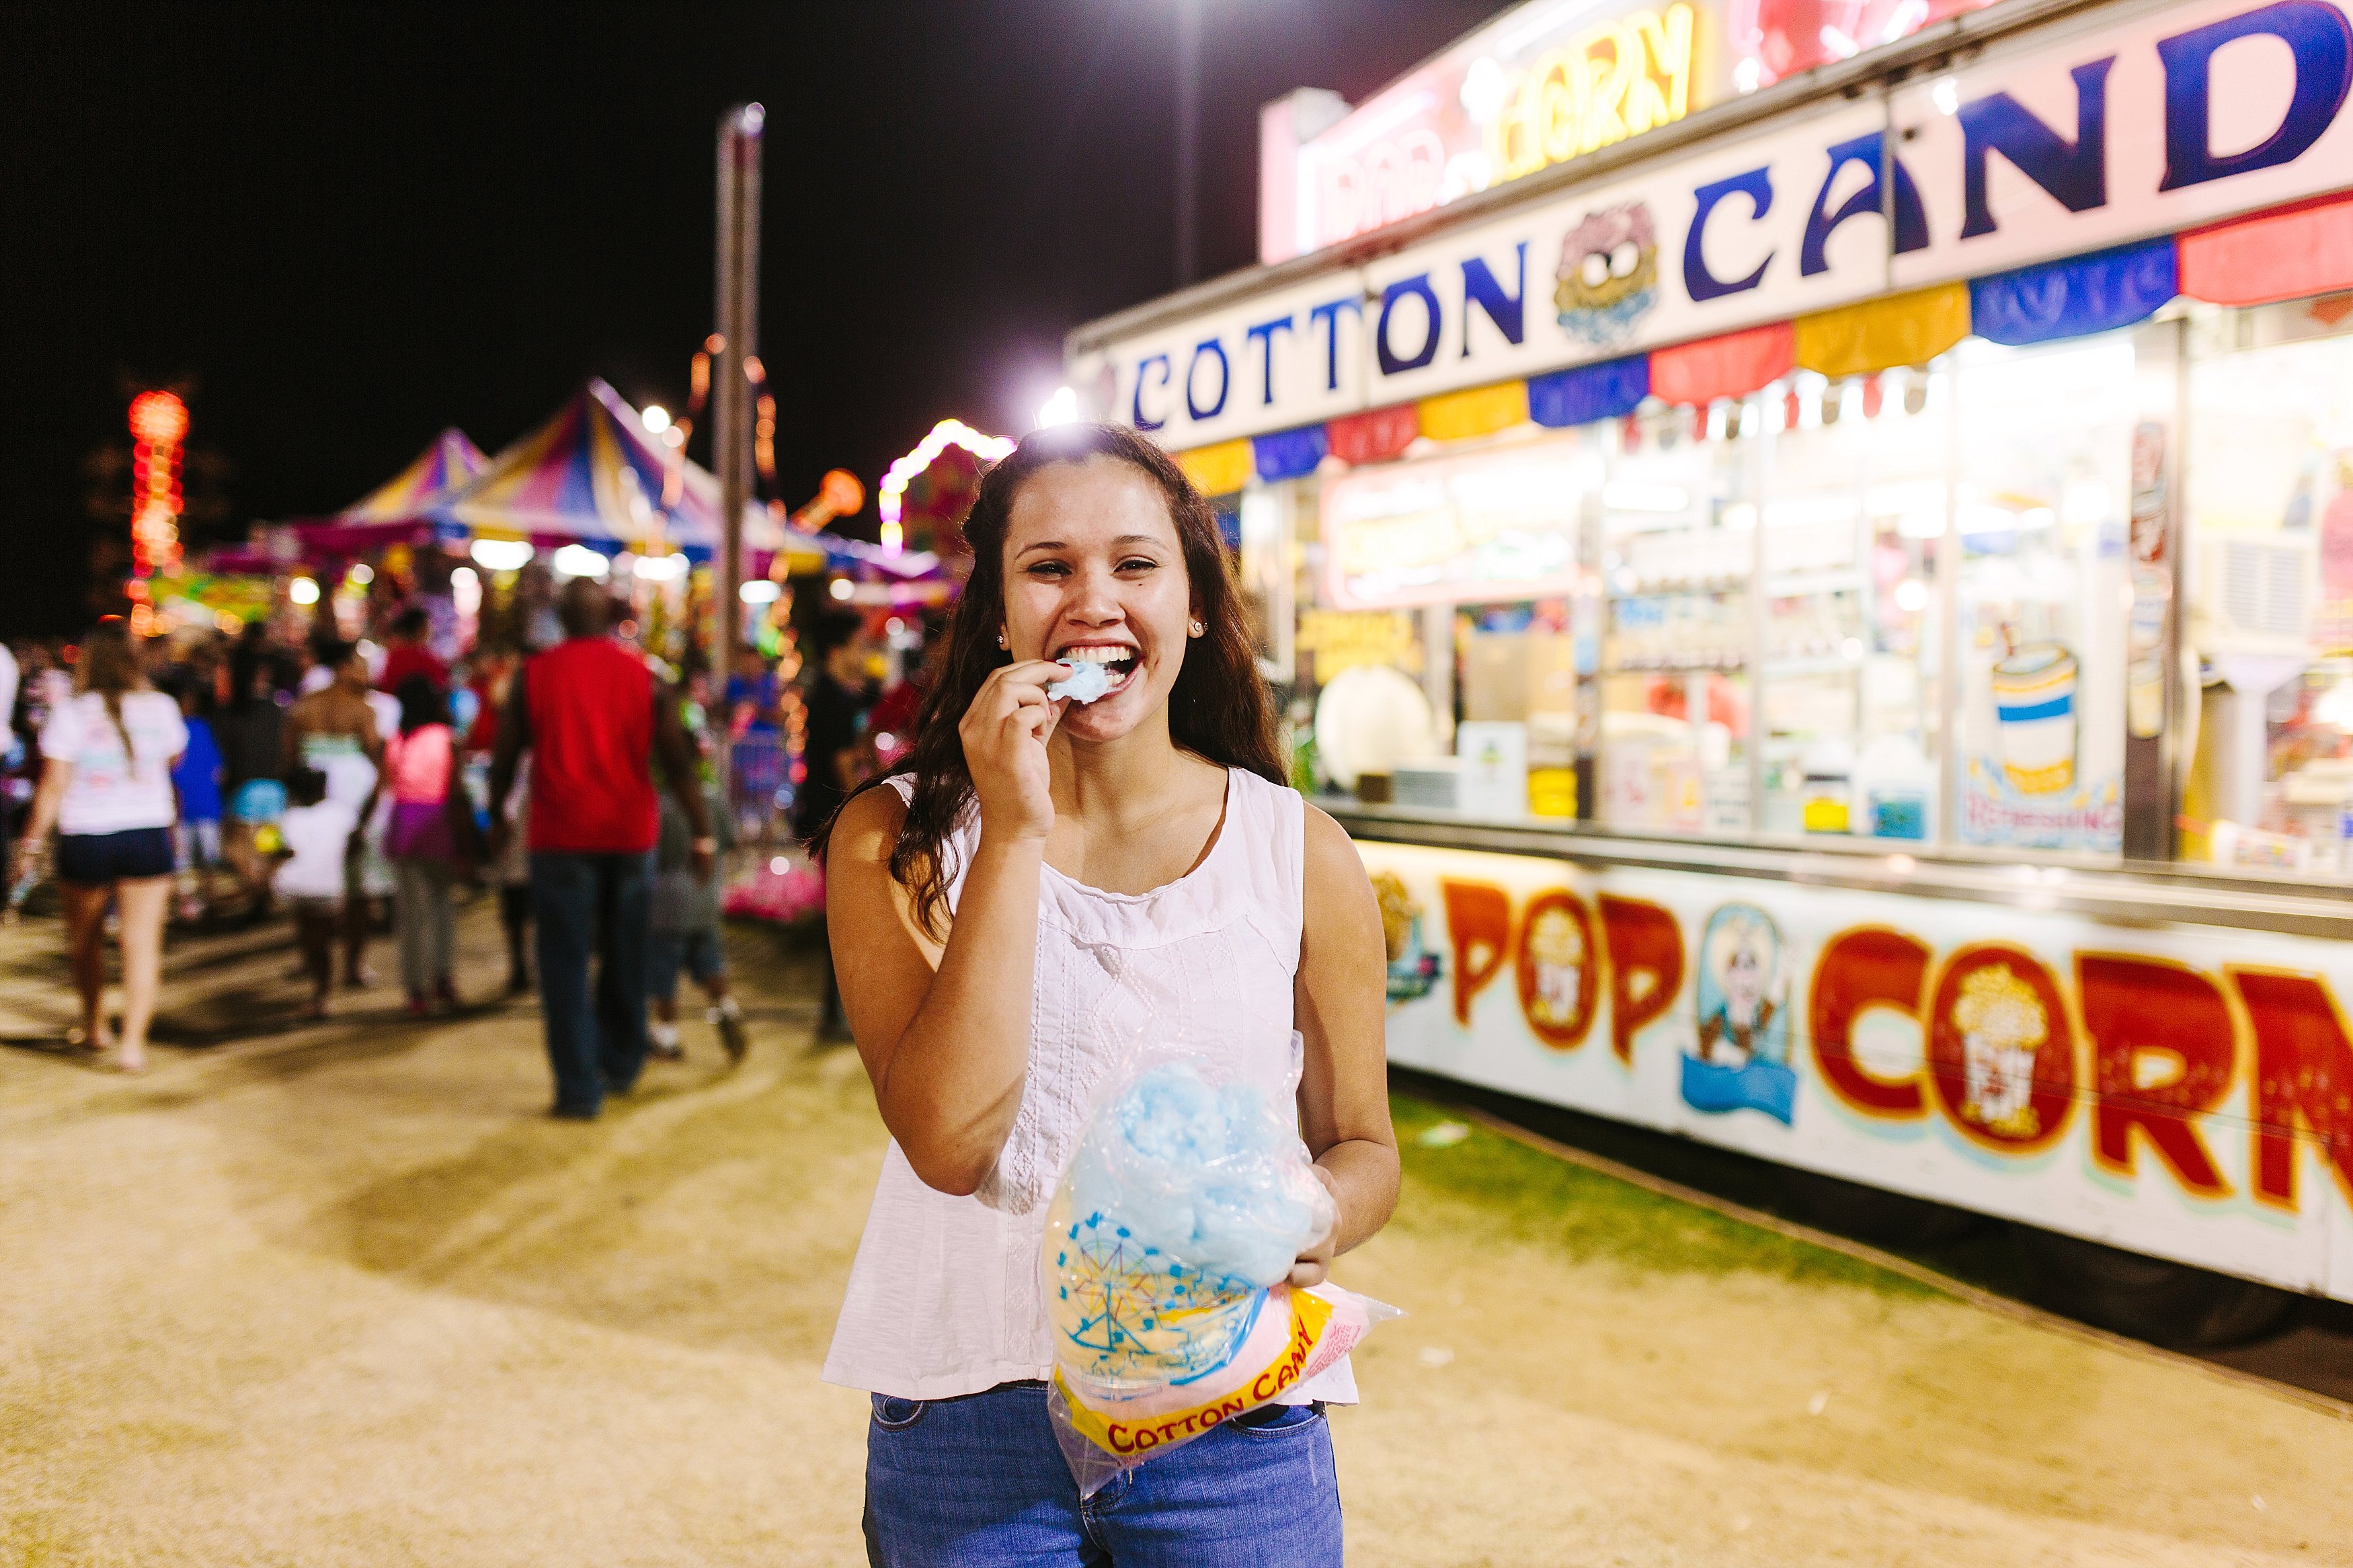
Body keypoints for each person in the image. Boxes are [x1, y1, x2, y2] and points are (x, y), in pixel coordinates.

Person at [817, 425, 1399, 1564]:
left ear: (1192, 604)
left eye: (1135, 565)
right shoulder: (895, 840)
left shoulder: (1301, 852)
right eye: (1049, 567)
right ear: (999, 609)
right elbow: (948, 1138)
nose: (1094, 601)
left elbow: (1364, 1144)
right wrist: (1015, 831)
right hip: (966, 1420)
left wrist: (1311, 1213)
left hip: (1232, 1415)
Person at [488, 579, 713, 1120]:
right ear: (609, 618)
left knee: (563, 960)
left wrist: (495, 814)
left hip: (560, 835)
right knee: (626, 951)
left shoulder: (533, 675)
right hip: (629, 834)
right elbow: (679, 763)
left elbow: (504, 755)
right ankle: (620, 1062)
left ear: (561, 619)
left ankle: (576, 1087)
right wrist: (702, 832)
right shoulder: (645, 677)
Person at [14, 621, 188, 1073]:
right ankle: (133, 1045)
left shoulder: (70, 712)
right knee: (141, 944)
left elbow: (53, 786)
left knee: (86, 942)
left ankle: (94, 1025)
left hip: (86, 833)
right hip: (146, 831)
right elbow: (173, 759)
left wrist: (30, 844)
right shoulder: (163, 707)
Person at [647, 715, 745, 1064]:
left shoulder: (660, 803)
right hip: (705, 898)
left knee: (663, 974)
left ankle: (667, 1038)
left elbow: (654, 855)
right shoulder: (713, 798)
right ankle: (727, 1009)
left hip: (666, 904)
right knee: (710, 964)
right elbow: (730, 842)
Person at [383, 674, 466, 1015]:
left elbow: (388, 785)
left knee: (411, 915)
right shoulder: (448, 738)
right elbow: (457, 791)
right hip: (438, 824)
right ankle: (442, 978)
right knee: (442, 907)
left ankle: (415, 991)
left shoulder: (396, 740)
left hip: (404, 824)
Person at [271, 766, 354, 1020]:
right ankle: (322, 993)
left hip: (297, 888)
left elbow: (279, 851)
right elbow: (355, 844)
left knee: (312, 941)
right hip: (330, 888)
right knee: (323, 943)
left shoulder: (288, 818)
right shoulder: (341, 814)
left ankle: (321, 994)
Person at [165, 674, 225, 922]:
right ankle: (207, 906)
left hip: (183, 808)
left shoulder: (187, 729)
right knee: (205, 863)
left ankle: (190, 909)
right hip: (203, 805)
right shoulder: (200, 728)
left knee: (184, 864)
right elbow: (218, 769)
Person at [376, 606, 448, 696]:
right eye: (429, 626)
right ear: (420, 630)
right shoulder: (428, 660)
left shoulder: (393, 657)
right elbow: (442, 685)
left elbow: (385, 687)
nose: (431, 630)